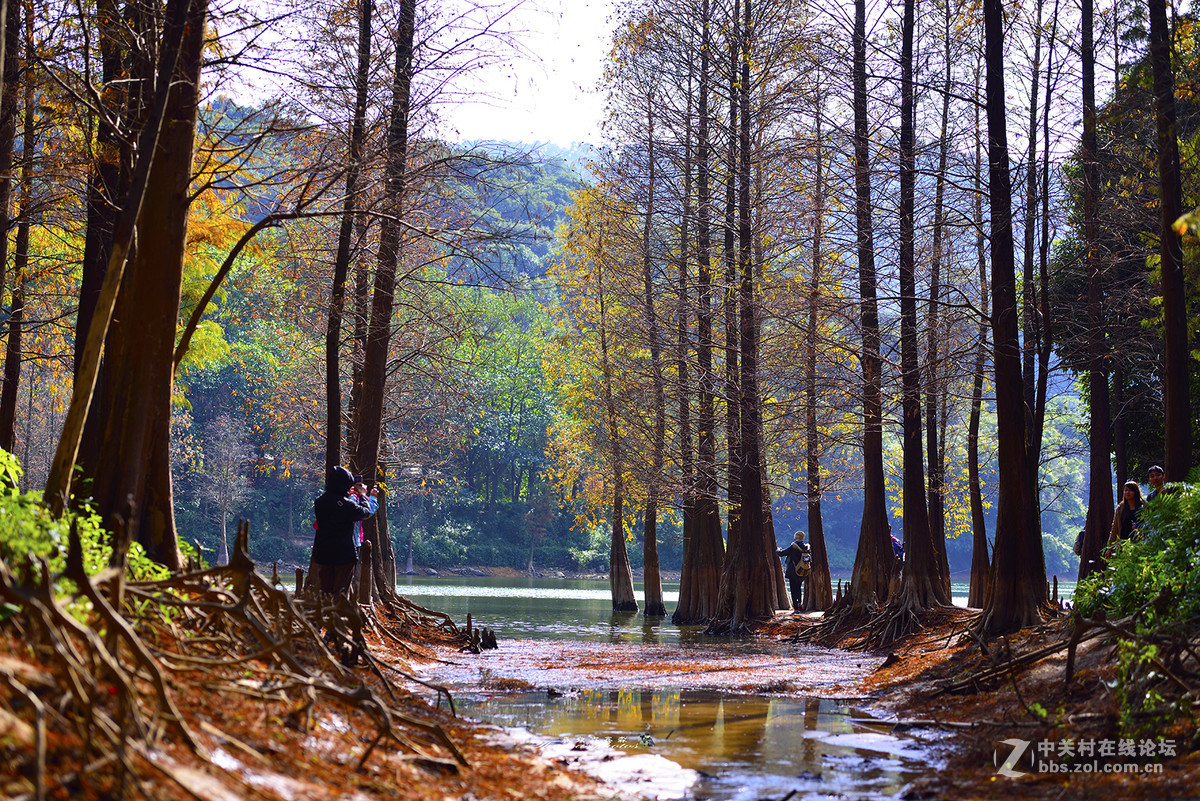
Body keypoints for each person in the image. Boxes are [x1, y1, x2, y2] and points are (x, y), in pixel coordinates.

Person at [311, 465, 377, 598]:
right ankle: (337, 617)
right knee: (340, 593)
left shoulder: (320, 502)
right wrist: (363, 495)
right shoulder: (347, 505)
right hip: (344, 555)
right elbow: (364, 512)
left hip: (323, 553)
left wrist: (347, 495)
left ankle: (324, 615)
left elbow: (337, 505)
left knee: (325, 592)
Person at [776, 531, 812, 612]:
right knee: (798, 588)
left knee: (793, 589)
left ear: (796, 537)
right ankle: (799, 603)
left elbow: (781, 553)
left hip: (793, 572)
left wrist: (777, 549)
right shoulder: (806, 547)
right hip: (802, 572)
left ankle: (795, 608)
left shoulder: (793, 546)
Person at [1107, 479, 1143, 546]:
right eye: (1125, 490)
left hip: (1140, 543)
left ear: (1136, 492)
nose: (1127, 492)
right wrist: (1109, 546)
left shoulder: (1144, 506)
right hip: (1123, 544)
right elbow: (1115, 528)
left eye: (1130, 490)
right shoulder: (1120, 508)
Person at [351, 475, 379, 548]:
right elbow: (366, 513)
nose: (363, 487)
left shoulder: (354, 497)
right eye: (359, 485)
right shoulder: (352, 498)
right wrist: (372, 498)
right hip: (351, 541)